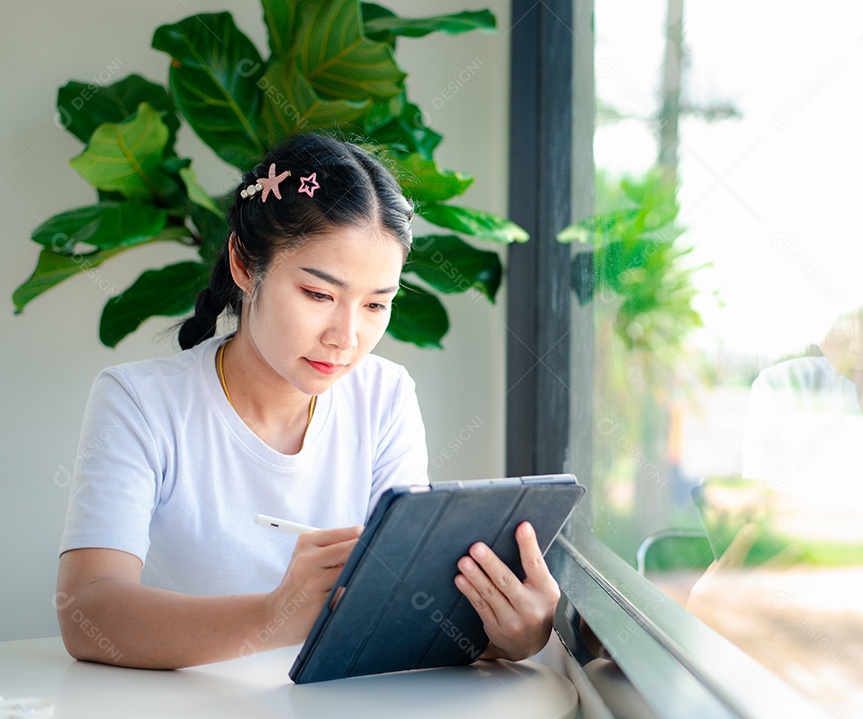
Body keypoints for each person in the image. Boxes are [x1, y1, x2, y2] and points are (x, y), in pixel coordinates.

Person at [56, 134, 560, 669]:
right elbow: (88, 611)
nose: (346, 337)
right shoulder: (140, 402)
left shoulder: (385, 396)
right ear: (244, 264)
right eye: (319, 295)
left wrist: (511, 635)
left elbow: (400, 607)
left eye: (375, 305)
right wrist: (274, 615)